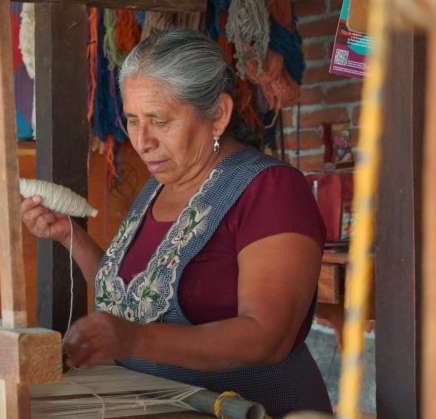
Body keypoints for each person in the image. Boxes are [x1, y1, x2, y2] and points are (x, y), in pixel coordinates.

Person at [21, 29, 332, 417]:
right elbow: (132, 300)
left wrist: (131, 340)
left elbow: (268, 336)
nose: (142, 140)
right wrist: (70, 236)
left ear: (218, 115)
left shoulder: (270, 189)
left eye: (159, 120)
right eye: (132, 120)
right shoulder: (156, 188)